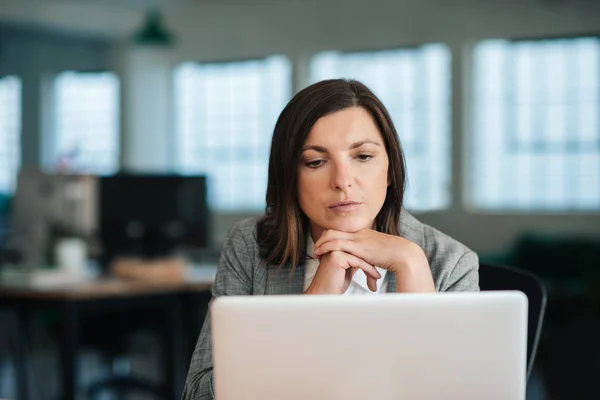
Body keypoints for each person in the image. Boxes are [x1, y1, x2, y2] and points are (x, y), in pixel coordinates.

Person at [182, 79, 479, 400]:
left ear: (390, 169)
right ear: (289, 178)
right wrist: (312, 306)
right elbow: (199, 394)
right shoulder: (250, 246)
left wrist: (412, 265)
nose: (342, 181)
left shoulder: (450, 261)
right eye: (315, 162)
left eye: (363, 157)